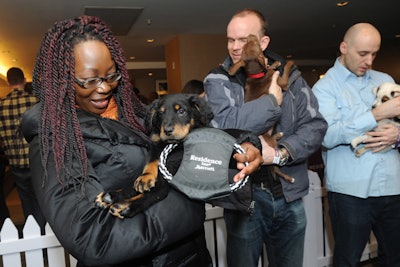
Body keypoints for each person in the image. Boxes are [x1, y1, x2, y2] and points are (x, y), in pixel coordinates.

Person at [20, 15, 263, 267]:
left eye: (111, 76)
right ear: (61, 80)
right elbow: (94, 239)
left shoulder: (137, 115)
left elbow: (193, 147)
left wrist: (245, 145)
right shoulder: (54, 140)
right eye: (89, 80)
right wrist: (191, 200)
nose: (104, 88)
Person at [204, 8, 328, 267]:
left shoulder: (290, 78)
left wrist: (280, 153)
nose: (235, 47)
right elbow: (226, 128)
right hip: (244, 198)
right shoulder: (218, 79)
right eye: (230, 39)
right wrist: (272, 101)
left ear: (263, 42)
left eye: (244, 39)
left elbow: (315, 126)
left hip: (289, 194)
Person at [312, 22, 400, 267]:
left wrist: (397, 135)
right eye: (363, 54)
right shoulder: (324, 88)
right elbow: (327, 136)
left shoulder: (385, 79)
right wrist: (377, 113)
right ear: (344, 47)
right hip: (351, 192)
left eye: (374, 54)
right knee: (347, 261)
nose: (369, 60)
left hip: (393, 186)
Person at [0, 67, 45, 231]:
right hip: (37, 161)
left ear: (7, 82)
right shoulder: (36, 102)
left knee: (27, 202)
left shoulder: (1, 105)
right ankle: (45, 238)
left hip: (15, 164)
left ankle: (31, 234)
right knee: (42, 201)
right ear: (24, 80)